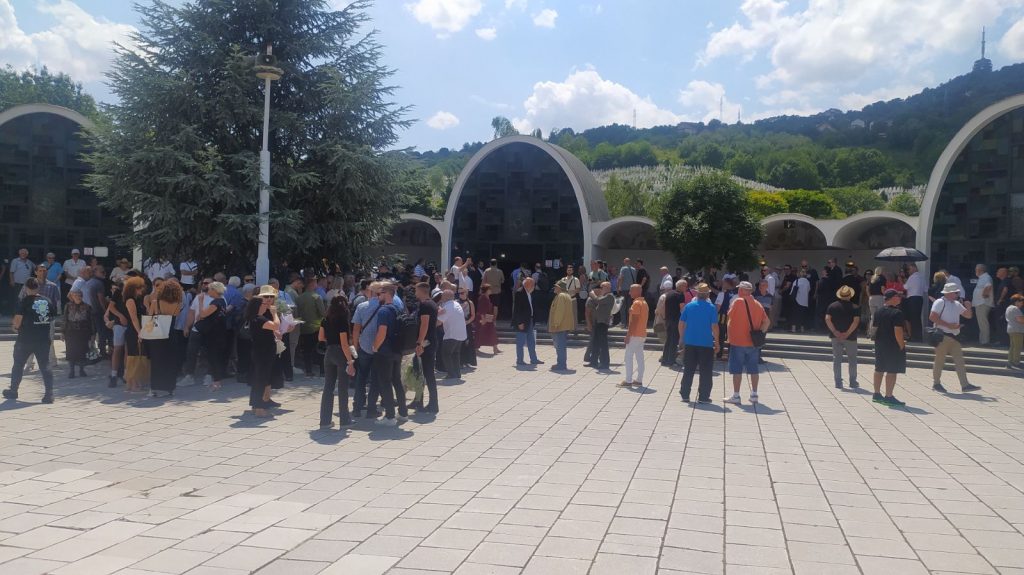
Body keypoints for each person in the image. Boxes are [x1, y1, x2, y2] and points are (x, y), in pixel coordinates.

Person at [3, 279, 55, 403]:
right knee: (45, 365)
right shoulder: (47, 301)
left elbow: (17, 322)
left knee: (18, 364)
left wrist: (15, 327)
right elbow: (52, 317)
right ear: (38, 287)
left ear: (26, 288)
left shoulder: (24, 301)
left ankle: (13, 391)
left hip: (25, 339)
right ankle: (49, 395)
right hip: (43, 339)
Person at [929, 282, 982, 394]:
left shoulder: (956, 304)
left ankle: (965, 385)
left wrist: (968, 306)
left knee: (959, 361)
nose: (957, 294)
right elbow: (932, 317)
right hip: (942, 335)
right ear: (949, 293)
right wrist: (949, 325)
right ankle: (936, 383)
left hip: (954, 336)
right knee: (940, 360)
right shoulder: (940, 302)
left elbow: (968, 315)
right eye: (956, 292)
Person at [724, 281, 769, 405]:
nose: (738, 291)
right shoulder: (758, 304)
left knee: (737, 369)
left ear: (742, 290)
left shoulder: (737, 302)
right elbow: (767, 322)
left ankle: (736, 396)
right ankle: (754, 394)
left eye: (739, 289)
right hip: (753, 343)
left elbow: (729, 316)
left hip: (738, 341)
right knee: (753, 369)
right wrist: (760, 334)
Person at [370, 283, 407, 426]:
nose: (377, 296)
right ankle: (403, 413)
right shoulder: (398, 309)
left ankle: (390, 416)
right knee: (397, 381)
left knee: (385, 382)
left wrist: (375, 347)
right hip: (397, 350)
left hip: (385, 351)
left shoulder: (384, 311)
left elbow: (382, 332)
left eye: (379, 293)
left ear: (386, 293)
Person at [318, 296, 356, 428]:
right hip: (340, 353)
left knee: (328, 387)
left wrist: (331, 338)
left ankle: (325, 421)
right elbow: (344, 343)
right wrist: (350, 362)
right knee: (342, 387)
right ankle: (345, 419)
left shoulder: (325, 319)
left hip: (329, 352)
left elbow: (321, 337)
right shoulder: (342, 320)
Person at [678, 283, 718, 403]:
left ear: (697, 294)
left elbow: (681, 323)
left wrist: (681, 338)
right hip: (706, 343)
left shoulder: (689, 306)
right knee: (706, 371)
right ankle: (703, 397)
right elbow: (714, 326)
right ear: (707, 295)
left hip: (690, 342)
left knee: (688, 369)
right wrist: (717, 342)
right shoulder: (712, 308)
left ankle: (685, 394)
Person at [245, 286, 282, 417]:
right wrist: (275, 313)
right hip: (263, 352)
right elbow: (276, 325)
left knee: (258, 379)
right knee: (261, 380)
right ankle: (259, 408)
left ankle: (255, 406)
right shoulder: (259, 319)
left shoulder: (255, 318)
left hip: (260, 351)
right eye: (264, 303)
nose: (266, 305)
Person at [872, 289, 907, 405]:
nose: (900, 298)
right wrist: (902, 345)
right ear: (892, 298)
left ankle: (876, 394)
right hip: (892, 346)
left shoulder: (878, 311)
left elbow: (874, 329)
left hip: (879, 344)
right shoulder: (897, 313)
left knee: (879, 369)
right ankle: (888, 396)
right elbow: (898, 331)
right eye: (898, 296)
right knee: (892, 371)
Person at [148, 281, 183, 397]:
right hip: (171, 333)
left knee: (156, 361)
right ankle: (170, 387)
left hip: (157, 334)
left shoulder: (155, 302)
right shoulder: (177, 304)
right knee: (171, 360)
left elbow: (150, 317)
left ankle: (155, 387)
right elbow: (176, 316)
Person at [196, 281, 229, 391]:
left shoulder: (216, 302)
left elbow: (203, 314)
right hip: (219, 333)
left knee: (213, 357)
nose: (208, 291)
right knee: (215, 357)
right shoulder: (222, 301)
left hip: (214, 334)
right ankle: (216, 380)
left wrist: (200, 301)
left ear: (215, 290)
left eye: (209, 289)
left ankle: (217, 381)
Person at [412, 282, 440, 413]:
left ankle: (432, 404)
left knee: (426, 373)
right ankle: (419, 400)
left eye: (416, 290)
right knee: (424, 373)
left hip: (426, 343)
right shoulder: (432, 304)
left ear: (421, 291)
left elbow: (424, 324)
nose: (415, 293)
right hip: (431, 341)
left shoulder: (425, 305)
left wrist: (419, 343)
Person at [826, 286, 860, 390]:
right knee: (852, 359)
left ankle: (838, 382)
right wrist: (847, 333)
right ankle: (852, 381)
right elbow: (856, 322)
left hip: (836, 337)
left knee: (837, 359)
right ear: (850, 296)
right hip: (851, 337)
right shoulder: (855, 307)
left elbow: (827, 319)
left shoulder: (832, 306)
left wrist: (835, 331)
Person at [122, 276, 149, 393]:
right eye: (139, 288)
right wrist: (139, 333)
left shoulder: (138, 299)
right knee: (133, 357)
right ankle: (132, 383)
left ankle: (135, 382)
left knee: (138, 356)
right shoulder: (130, 300)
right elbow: (134, 318)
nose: (141, 290)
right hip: (134, 331)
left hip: (138, 330)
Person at [296, 277, 327, 378]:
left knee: (307, 350)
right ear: (313, 284)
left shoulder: (299, 298)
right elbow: (322, 313)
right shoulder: (316, 297)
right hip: (316, 327)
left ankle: (308, 371)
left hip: (304, 327)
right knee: (321, 349)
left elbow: (297, 313)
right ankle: (322, 371)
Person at [620, 283, 649, 388]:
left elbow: (634, 322)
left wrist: (628, 335)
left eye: (631, 290)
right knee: (640, 357)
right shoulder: (644, 303)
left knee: (628, 356)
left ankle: (628, 381)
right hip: (642, 334)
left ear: (637, 291)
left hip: (635, 334)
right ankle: (639, 380)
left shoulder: (636, 303)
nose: (629, 293)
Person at [63, 288, 93, 379]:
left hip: (83, 332)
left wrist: (92, 334)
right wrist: (62, 332)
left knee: (82, 351)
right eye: (75, 295)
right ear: (72, 296)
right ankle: (71, 371)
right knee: (71, 351)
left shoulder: (87, 307)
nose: (78, 297)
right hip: (70, 331)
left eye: (79, 295)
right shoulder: (68, 306)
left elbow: (91, 321)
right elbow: (65, 319)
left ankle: (81, 370)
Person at [512, 277, 542, 366]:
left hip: (530, 320)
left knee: (531, 341)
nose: (534, 287)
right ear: (528, 285)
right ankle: (520, 360)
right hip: (522, 321)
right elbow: (517, 309)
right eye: (533, 285)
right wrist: (519, 322)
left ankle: (534, 359)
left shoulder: (529, 293)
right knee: (520, 342)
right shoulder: (520, 292)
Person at [438, 290, 467, 380]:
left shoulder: (448, 307)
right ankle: (457, 373)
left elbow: (438, 322)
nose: (441, 298)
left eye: (442, 296)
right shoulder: (456, 304)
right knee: (455, 354)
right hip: (460, 334)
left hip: (451, 334)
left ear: (446, 297)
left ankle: (451, 374)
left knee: (446, 354)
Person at [586, 282, 614, 370]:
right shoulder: (603, 296)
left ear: (607, 288)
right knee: (595, 343)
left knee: (603, 344)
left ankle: (605, 363)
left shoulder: (609, 296)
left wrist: (592, 294)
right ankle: (593, 361)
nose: (601, 289)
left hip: (603, 323)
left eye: (602, 287)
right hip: (598, 322)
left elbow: (598, 300)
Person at [548, 280, 574, 371]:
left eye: (556, 286)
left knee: (560, 346)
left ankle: (561, 364)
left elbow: (559, 311)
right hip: (564, 325)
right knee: (561, 346)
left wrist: (556, 323)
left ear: (560, 288)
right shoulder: (566, 295)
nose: (554, 288)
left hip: (560, 326)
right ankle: (561, 363)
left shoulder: (561, 296)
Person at [904, 263, 926, 342]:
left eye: (909, 269)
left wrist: (903, 281)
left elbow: (905, 287)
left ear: (914, 268)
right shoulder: (922, 277)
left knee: (913, 318)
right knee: (917, 318)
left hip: (913, 298)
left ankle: (914, 337)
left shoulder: (912, 277)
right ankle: (919, 337)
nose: (908, 271)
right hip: (920, 298)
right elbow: (925, 289)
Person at [973, 264, 994, 346]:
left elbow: (988, 286)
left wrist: (984, 295)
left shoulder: (986, 277)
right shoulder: (982, 278)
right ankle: (982, 340)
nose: (975, 271)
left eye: (976, 270)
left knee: (983, 322)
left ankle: (984, 341)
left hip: (982, 303)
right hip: (980, 303)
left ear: (980, 270)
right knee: (981, 322)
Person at [475, 283, 499, 355]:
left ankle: (495, 348)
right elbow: (481, 309)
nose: (491, 290)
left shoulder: (487, 297)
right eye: (490, 289)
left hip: (488, 318)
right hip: (483, 318)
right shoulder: (483, 297)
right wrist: (483, 319)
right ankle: (476, 349)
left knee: (492, 332)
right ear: (487, 290)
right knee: (480, 333)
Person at [8, 248, 34, 314]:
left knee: (26, 299)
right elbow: (11, 272)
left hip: (27, 284)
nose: (23, 254)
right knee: (18, 299)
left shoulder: (29, 262)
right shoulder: (15, 261)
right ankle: (16, 314)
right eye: (22, 253)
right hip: (17, 283)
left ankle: (24, 313)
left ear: (27, 254)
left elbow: (36, 268)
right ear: (19, 254)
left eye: (25, 253)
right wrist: (12, 281)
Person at [458, 287, 477, 368]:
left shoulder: (470, 303)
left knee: (468, 342)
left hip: (467, 325)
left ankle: (468, 360)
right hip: (459, 325)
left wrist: (468, 322)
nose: (460, 295)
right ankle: (460, 361)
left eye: (462, 293)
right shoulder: (456, 302)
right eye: (459, 293)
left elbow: (473, 315)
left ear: (466, 293)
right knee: (460, 343)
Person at [617, 258, 637, 328]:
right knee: (630, 306)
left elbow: (621, 278)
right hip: (631, 290)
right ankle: (629, 323)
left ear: (625, 262)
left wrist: (619, 287)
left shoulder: (623, 268)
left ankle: (623, 323)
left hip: (624, 290)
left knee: (623, 306)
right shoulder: (634, 269)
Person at [868, 266, 887, 338]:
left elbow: (867, 289)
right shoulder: (882, 278)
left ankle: (871, 333)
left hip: (871, 298)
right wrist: (886, 296)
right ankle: (879, 333)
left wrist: (870, 296)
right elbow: (882, 289)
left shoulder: (872, 278)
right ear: (881, 271)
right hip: (879, 297)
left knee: (873, 316)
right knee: (880, 315)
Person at [1007, 294, 1024, 369]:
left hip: (1011, 329)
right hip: (1017, 330)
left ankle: (1010, 362)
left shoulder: (1009, 308)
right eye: (1021, 302)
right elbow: (1020, 320)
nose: (1022, 304)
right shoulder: (1015, 309)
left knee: (1013, 347)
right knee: (1017, 347)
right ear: (1016, 301)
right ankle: (1016, 362)